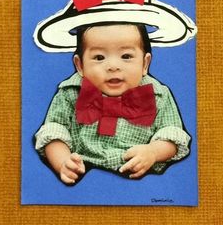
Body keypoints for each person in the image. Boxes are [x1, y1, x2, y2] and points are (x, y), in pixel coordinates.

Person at [35, 22, 191, 185]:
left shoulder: (158, 95)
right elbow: (54, 131)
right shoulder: (70, 92)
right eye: (99, 57)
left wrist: (153, 152)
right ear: (80, 65)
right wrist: (63, 162)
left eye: (126, 56)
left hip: (139, 180)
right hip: (85, 176)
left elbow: (172, 135)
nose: (113, 66)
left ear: (145, 64)